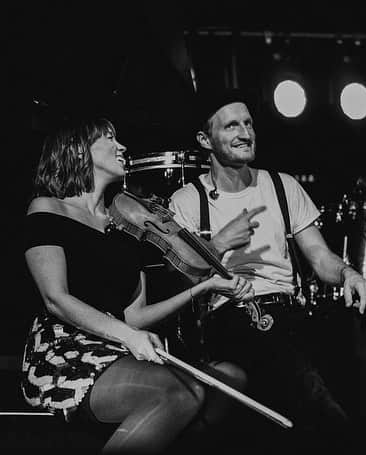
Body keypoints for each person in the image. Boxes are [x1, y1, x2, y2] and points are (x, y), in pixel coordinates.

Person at [20, 117, 254, 454]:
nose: (123, 147)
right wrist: (127, 335)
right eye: (110, 138)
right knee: (179, 391)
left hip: (117, 348)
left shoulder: (126, 227)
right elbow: (56, 299)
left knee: (230, 379)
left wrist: (201, 288)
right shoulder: (48, 208)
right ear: (77, 149)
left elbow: (136, 317)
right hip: (65, 351)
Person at [168, 88, 366, 450]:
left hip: (289, 313)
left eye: (248, 123)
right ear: (205, 139)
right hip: (228, 317)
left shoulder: (283, 186)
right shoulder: (186, 201)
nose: (245, 133)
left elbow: (320, 257)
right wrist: (218, 244)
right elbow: (179, 281)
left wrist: (349, 274)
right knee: (305, 389)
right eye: (231, 125)